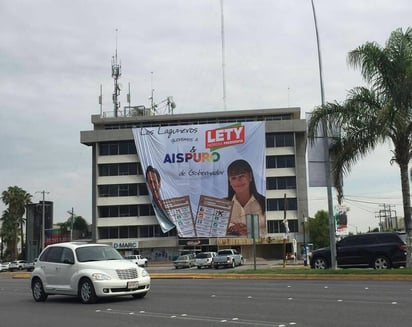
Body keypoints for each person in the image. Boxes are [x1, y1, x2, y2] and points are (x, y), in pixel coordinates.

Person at [225, 159, 266, 236]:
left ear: (250, 177)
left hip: (260, 246)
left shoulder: (265, 203)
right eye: (233, 178)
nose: (238, 181)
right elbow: (215, 230)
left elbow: (271, 231)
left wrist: (251, 232)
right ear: (229, 181)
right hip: (230, 246)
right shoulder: (222, 205)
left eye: (242, 176)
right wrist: (232, 228)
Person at [145, 165, 175, 233]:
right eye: (150, 182)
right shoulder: (152, 205)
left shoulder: (170, 202)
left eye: (154, 182)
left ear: (159, 183)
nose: (153, 186)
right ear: (148, 184)